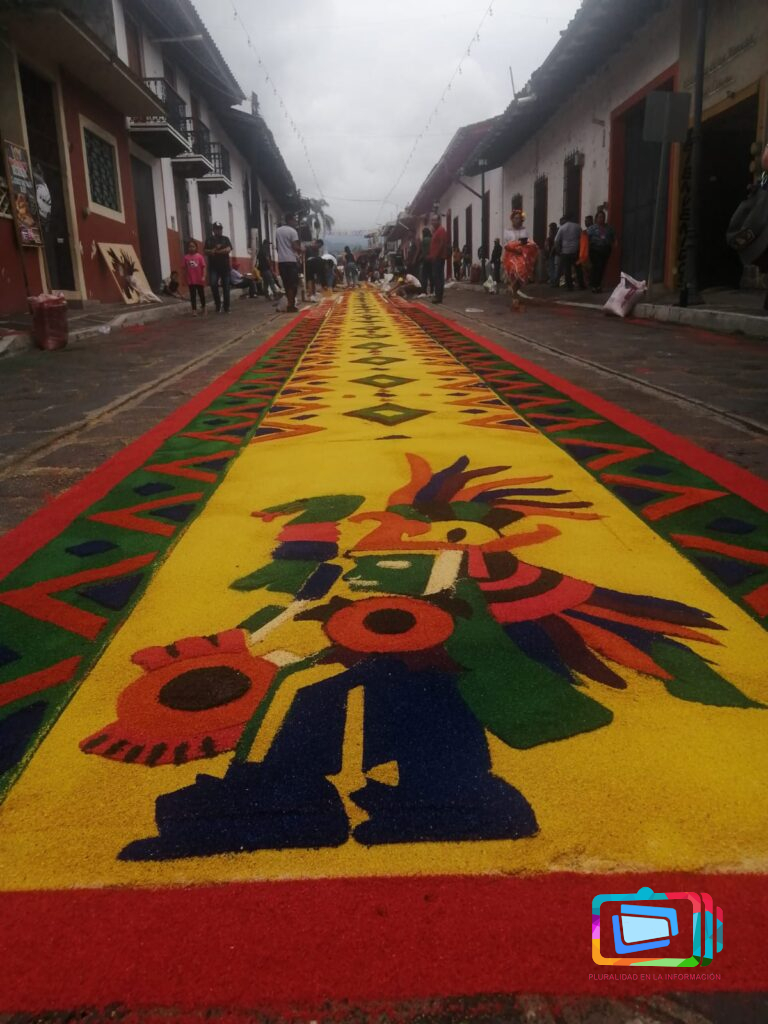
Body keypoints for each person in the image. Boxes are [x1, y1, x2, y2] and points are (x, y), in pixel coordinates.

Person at [503, 209, 539, 310]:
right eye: (515, 218)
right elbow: (506, 245)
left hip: (522, 256)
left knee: (522, 277)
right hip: (511, 256)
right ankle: (515, 298)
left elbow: (528, 241)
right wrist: (515, 247)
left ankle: (513, 292)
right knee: (515, 274)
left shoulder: (524, 230)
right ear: (512, 219)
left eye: (519, 218)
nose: (517, 220)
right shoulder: (507, 231)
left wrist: (530, 245)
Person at [275, 213, 302, 313]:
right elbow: (295, 246)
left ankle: (290, 304)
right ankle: (291, 305)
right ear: (290, 220)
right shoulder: (292, 231)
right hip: (291, 260)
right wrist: (301, 249)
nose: (295, 222)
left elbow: (277, 246)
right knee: (293, 284)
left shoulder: (278, 231)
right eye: (294, 220)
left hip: (281, 261)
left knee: (286, 284)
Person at [204, 221, 233, 313]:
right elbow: (205, 251)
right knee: (213, 285)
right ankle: (218, 304)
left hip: (225, 267)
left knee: (226, 287)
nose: (219, 231)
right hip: (213, 267)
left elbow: (228, 249)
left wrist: (215, 251)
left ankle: (226, 306)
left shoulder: (225, 239)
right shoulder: (209, 240)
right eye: (216, 229)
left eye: (220, 229)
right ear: (213, 230)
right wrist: (212, 251)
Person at [587, 209, 616, 293]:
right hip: (595, 250)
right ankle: (594, 285)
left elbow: (613, 237)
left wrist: (615, 243)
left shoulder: (609, 228)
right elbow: (586, 239)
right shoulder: (592, 228)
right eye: (599, 217)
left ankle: (598, 285)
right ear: (596, 218)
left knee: (602, 267)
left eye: (603, 217)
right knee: (596, 267)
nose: (601, 219)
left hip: (605, 250)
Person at [554, 213, 581, 292]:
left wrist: (558, 250)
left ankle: (569, 286)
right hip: (576, 251)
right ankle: (581, 284)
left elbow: (556, 240)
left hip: (565, 251)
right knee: (578, 268)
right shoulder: (578, 227)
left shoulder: (562, 228)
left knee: (567, 269)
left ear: (566, 219)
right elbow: (582, 238)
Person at [428, 213, 450, 304]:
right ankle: (437, 295)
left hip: (439, 258)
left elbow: (441, 244)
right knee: (436, 277)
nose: (433, 222)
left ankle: (438, 297)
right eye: (432, 220)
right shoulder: (436, 231)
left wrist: (436, 255)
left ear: (439, 221)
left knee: (438, 277)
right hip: (435, 257)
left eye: (434, 220)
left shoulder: (441, 230)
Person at [183, 240, 206, 316]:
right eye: (190, 246)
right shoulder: (186, 257)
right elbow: (184, 269)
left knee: (201, 294)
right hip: (191, 280)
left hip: (199, 279)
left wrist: (203, 276)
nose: (191, 248)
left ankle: (204, 308)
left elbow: (203, 267)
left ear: (196, 247)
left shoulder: (199, 256)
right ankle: (194, 310)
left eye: (193, 246)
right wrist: (185, 278)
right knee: (193, 295)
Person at [543, 222, 559, 287]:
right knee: (552, 268)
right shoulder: (556, 234)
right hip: (553, 253)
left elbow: (552, 246)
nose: (550, 230)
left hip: (552, 253)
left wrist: (549, 253)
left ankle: (553, 281)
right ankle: (554, 281)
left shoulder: (554, 235)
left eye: (551, 228)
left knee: (551, 268)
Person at [420, 226, 433, 295]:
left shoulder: (424, 240)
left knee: (424, 276)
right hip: (432, 259)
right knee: (431, 275)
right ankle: (432, 290)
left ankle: (424, 291)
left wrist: (421, 258)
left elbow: (423, 251)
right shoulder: (432, 239)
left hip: (425, 259)